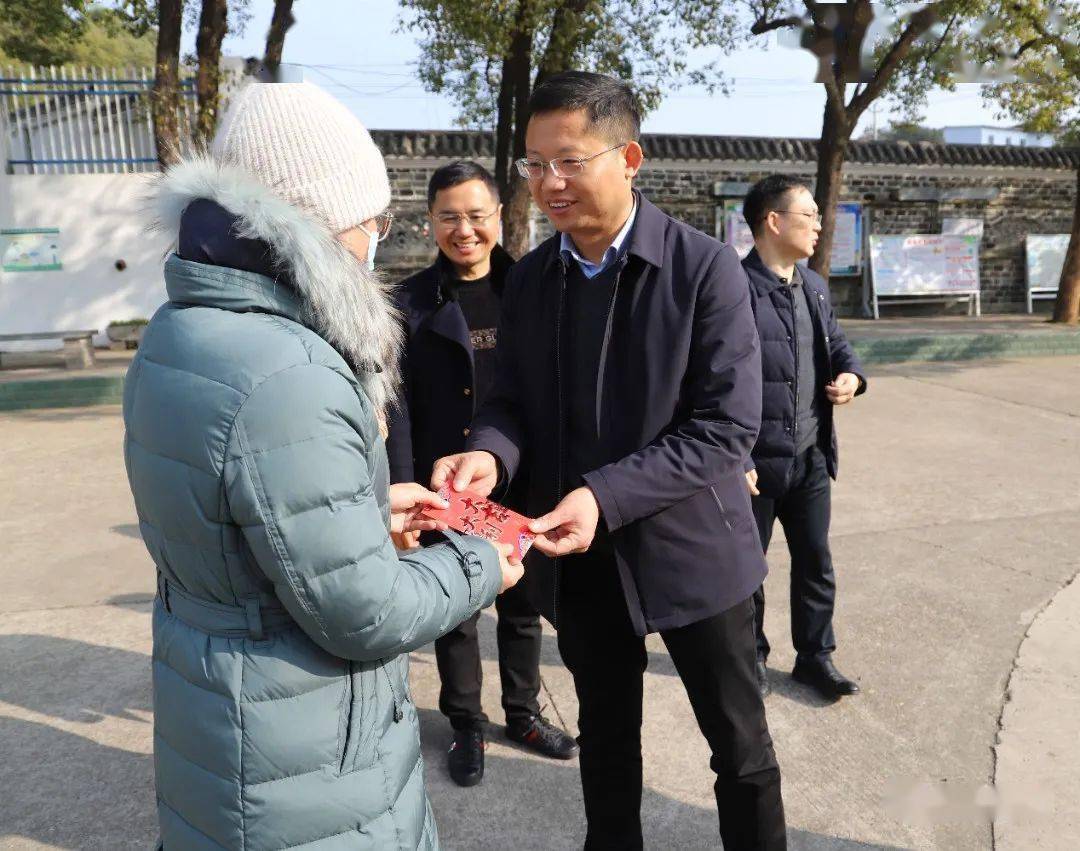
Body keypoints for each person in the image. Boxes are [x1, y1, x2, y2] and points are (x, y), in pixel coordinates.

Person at [124, 81, 521, 850]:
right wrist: (481, 560)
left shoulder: (178, 329)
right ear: (321, 221)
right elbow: (362, 609)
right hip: (301, 752)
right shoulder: (291, 370)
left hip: (223, 710)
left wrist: (368, 510)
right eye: (372, 218)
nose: (377, 235)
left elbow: (243, 527)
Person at [432, 71, 787, 850]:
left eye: (568, 160)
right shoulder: (530, 279)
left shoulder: (704, 269)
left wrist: (603, 492)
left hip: (696, 550)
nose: (548, 184)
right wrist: (487, 454)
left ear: (628, 157)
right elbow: (510, 403)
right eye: (532, 165)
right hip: (580, 555)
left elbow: (726, 425)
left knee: (741, 749)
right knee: (608, 745)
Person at [386, 160, 578, 788]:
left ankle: (522, 712)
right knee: (455, 609)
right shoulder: (408, 302)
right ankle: (465, 723)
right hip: (443, 484)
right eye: (448, 217)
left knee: (523, 604)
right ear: (430, 222)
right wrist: (404, 488)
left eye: (476, 215)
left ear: (500, 217)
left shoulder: (534, 287)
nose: (463, 229)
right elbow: (398, 406)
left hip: (521, 480)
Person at [740, 175, 868, 701]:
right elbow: (704, 377)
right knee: (748, 571)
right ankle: (750, 660)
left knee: (815, 560)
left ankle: (816, 658)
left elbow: (838, 347)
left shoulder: (813, 285)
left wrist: (852, 378)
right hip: (753, 463)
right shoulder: (730, 287)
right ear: (774, 221)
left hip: (810, 453)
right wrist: (732, 456)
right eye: (808, 215)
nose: (818, 224)